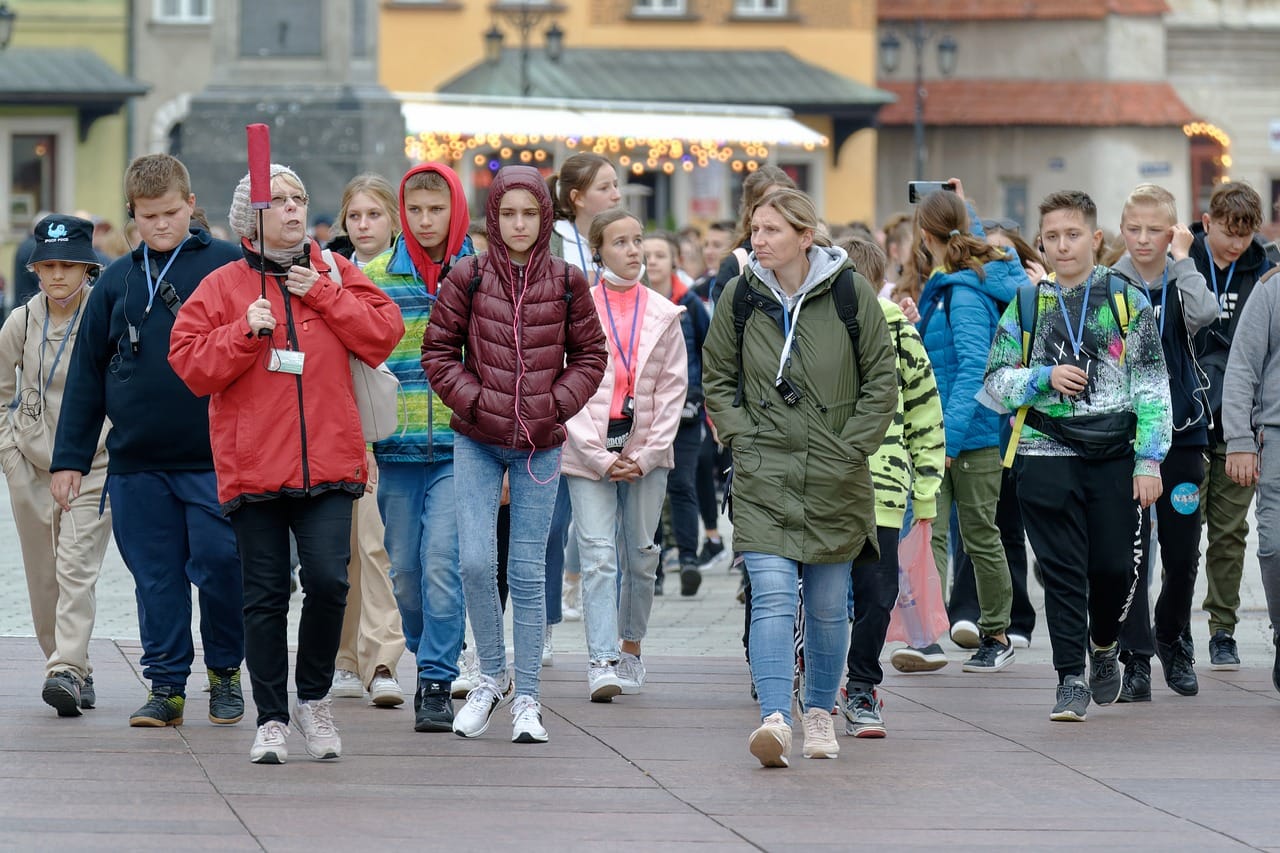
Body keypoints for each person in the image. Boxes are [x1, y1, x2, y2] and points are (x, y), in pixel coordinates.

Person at [168, 163, 404, 764]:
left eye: (299, 197)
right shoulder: (223, 285)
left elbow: (384, 332)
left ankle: (314, 700)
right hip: (254, 467)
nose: (295, 208)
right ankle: (272, 717)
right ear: (250, 219)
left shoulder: (333, 270)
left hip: (331, 461)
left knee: (329, 581)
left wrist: (321, 293)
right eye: (279, 200)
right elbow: (189, 365)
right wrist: (243, 333)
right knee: (265, 595)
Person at [704, 188, 897, 767]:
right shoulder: (741, 294)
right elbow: (716, 373)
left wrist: (850, 448)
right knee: (771, 596)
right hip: (763, 471)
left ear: (805, 237)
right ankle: (774, 719)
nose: (757, 240)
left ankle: (817, 713)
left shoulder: (849, 292)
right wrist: (741, 435)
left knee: (829, 605)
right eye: (755, 229)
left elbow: (881, 380)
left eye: (771, 230)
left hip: (835, 474)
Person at [51, 154, 246, 730]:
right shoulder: (115, 279)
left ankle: (225, 672)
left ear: (191, 204)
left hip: (214, 459)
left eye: (170, 212)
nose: (160, 225)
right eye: (147, 215)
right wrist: (69, 460)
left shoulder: (229, 267)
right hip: (136, 462)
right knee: (156, 578)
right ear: (131, 214)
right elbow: (86, 376)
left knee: (221, 565)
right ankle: (166, 686)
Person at [422, 165, 607, 744]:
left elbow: (591, 355)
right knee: (475, 562)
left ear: (545, 216)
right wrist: (476, 402)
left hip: (540, 445)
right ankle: (490, 676)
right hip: (477, 438)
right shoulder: (469, 276)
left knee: (527, 571)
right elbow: (438, 352)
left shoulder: (568, 280)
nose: (519, 224)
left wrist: (555, 405)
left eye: (530, 213)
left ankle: (527, 695)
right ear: (494, 216)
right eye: (508, 213)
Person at [983, 189, 1171, 723]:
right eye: (1052, 237)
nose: (1062, 246)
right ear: (1040, 243)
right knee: (1062, 573)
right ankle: (1069, 678)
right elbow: (994, 383)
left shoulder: (1126, 300)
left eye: (1072, 235)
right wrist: (1042, 378)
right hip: (1044, 449)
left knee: (1114, 568)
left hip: (1113, 453)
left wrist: (1148, 460)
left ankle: (1104, 643)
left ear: (1095, 238)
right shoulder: (1026, 304)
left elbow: (1152, 385)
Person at [362, 163, 476, 732]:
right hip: (396, 448)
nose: (426, 220)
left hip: (462, 448)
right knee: (405, 572)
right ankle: (425, 644)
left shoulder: (482, 273)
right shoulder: (375, 276)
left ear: (457, 209)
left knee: (441, 566)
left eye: (437, 209)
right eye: (415, 210)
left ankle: (435, 678)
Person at [563, 209, 686, 701]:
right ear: (597, 251)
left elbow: (673, 389)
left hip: (645, 451)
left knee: (640, 555)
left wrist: (649, 453)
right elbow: (565, 385)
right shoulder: (578, 309)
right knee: (596, 555)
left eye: (637, 240)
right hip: (588, 448)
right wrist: (596, 455)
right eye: (620, 242)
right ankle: (601, 659)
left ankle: (630, 647)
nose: (633, 250)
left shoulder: (664, 313)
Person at [913, 182, 1029, 672]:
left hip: (969, 436)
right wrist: (965, 208)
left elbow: (973, 369)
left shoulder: (961, 292)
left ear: (925, 236)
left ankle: (997, 633)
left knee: (979, 536)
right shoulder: (958, 281)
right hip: (950, 433)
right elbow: (977, 246)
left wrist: (948, 440)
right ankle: (926, 636)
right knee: (933, 534)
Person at [0, 214, 111, 717]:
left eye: (68, 265)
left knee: (76, 567)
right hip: (31, 466)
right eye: (48, 266)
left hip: (92, 465)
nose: (58, 275)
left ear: (88, 268)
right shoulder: (21, 322)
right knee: (44, 577)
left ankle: (63, 668)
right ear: (35, 269)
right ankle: (73, 665)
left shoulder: (103, 315)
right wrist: (9, 455)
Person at [1111, 183, 1217, 701]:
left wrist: (1184, 260)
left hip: (1183, 433)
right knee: (1131, 554)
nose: (1143, 239)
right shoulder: (1110, 283)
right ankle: (1135, 656)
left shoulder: (1181, 278)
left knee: (1183, 552)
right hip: (1125, 436)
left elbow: (1205, 315)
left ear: (1172, 231)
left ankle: (1173, 635)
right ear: (1121, 229)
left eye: (1155, 230)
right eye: (1134, 229)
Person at [837, 235, 944, 736]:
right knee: (832, 595)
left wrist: (925, 489)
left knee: (877, 593)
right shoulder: (814, 324)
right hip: (828, 483)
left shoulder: (897, 327)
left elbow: (923, 406)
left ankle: (861, 684)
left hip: (882, 486)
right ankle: (825, 680)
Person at [325, 173, 408, 707]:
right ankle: (345, 657)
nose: (363, 225)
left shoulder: (408, 275)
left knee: (379, 550)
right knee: (345, 553)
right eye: (354, 216)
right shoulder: (331, 271)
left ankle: (381, 660)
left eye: (373, 215)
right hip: (347, 428)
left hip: (403, 426)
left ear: (392, 221)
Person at [1190, 182, 1275, 669]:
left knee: (1229, 534)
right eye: (1227, 233)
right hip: (1187, 423)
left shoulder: (1263, 268)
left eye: (1245, 235)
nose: (1236, 244)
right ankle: (1174, 627)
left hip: (1238, 425)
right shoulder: (1185, 261)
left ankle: (1222, 629)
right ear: (1208, 224)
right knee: (1182, 534)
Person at [546, 153, 623, 622]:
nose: (616, 194)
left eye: (616, 185)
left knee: (607, 527)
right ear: (577, 198)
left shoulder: (621, 238)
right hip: (560, 386)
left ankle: (611, 634)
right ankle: (546, 620)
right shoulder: (552, 242)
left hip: (612, 389)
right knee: (551, 521)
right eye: (606, 187)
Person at [1221, 264, 1280, 695]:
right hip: (1274, 436)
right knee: (1275, 546)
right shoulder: (1271, 289)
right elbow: (1242, 366)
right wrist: (1239, 439)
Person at [643, 229, 710, 595]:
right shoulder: (636, 300)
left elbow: (708, 349)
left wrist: (702, 396)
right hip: (645, 412)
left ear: (674, 261)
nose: (652, 261)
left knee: (682, 483)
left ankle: (688, 560)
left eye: (659, 255)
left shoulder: (690, 303)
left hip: (686, 408)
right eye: (647, 255)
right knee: (649, 488)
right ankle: (652, 570)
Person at [709, 165, 796, 306]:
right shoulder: (737, 263)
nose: (779, 210)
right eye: (770, 203)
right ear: (751, 210)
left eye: (786, 203)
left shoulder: (806, 256)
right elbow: (723, 318)